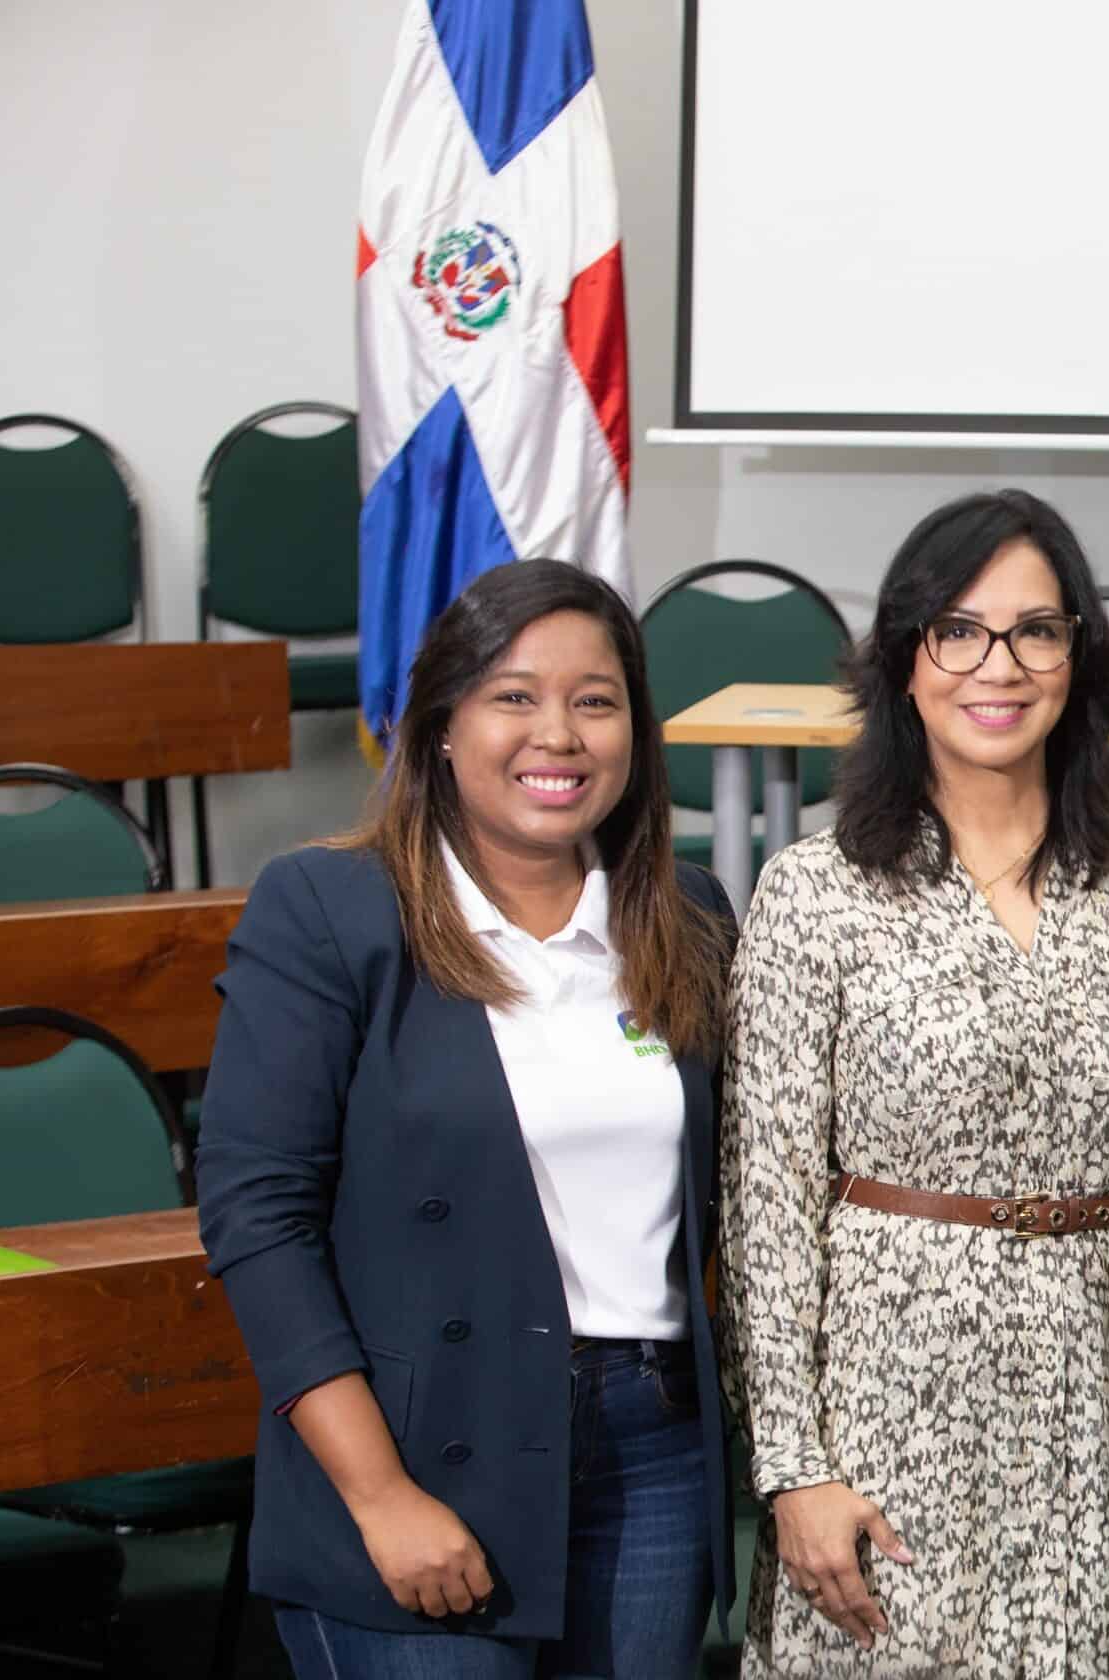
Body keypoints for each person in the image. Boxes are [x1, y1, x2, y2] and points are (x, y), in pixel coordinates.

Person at [719, 489, 1109, 1677]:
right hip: (889, 1396)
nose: (996, 665)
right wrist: (794, 1465)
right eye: (959, 630)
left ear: (1077, 657)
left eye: (1035, 630)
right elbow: (768, 1207)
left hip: (1097, 1390)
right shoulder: (817, 890)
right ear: (905, 659)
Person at [196, 560, 740, 1678]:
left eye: (596, 701)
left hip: (655, 1451)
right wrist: (380, 1496)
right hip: (420, 1448)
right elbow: (259, 1220)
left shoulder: (690, 913)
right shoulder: (327, 909)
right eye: (513, 696)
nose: (560, 735)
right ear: (441, 723)